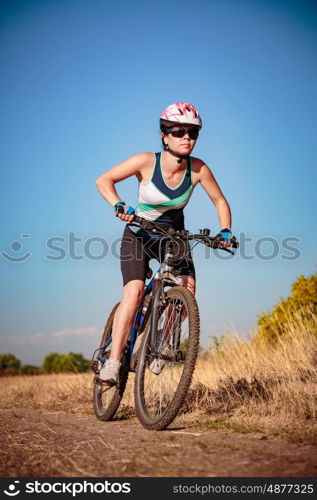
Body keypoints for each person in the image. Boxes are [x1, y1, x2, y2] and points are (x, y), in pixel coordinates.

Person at [96, 102, 234, 384]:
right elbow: (104, 180)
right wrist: (118, 204)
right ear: (165, 135)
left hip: (174, 237)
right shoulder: (147, 162)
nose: (187, 138)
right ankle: (112, 361)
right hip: (139, 234)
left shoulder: (198, 169)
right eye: (179, 131)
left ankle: (159, 345)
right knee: (133, 293)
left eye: (193, 133)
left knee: (188, 291)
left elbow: (219, 200)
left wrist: (225, 231)